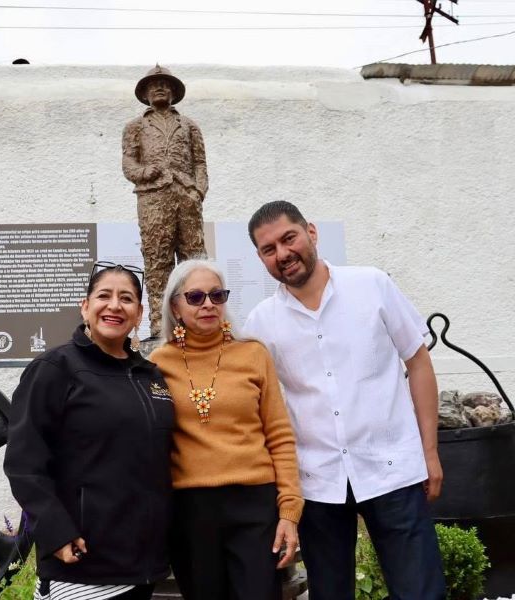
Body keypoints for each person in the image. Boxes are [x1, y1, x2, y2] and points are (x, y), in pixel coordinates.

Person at [244, 201, 445, 600]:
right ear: (261, 258)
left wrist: (430, 452)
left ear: (311, 233)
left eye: (289, 238)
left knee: (421, 592)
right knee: (330, 593)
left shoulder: (372, 285)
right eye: (269, 249)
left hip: (392, 469)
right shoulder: (260, 323)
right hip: (318, 482)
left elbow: (418, 364)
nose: (283, 254)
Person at [4, 262, 174, 600]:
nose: (114, 306)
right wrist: (55, 531)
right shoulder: (55, 369)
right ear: (86, 306)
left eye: (126, 299)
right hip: (82, 563)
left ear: (138, 314)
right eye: (104, 296)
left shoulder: (151, 377)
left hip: (144, 565)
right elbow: (24, 463)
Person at [149, 258, 302, 600]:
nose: (208, 304)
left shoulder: (253, 354)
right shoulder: (157, 365)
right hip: (190, 510)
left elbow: (279, 436)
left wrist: (289, 512)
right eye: (196, 297)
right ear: (175, 304)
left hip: (255, 504)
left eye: (217, 296)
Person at [122, 65, 208, 340]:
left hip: (186, 196)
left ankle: (196, 319)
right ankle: (160, 323)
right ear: (145, 93)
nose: (159, 88)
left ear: (173, 92)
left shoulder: (190, 126)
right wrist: (146, 173)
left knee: (194, 259)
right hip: (153, 198)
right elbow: (129, 163)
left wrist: (198, 192)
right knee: (158, 261)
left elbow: (200, 164)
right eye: (153, 84)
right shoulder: (135, 126)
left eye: (165, 84)